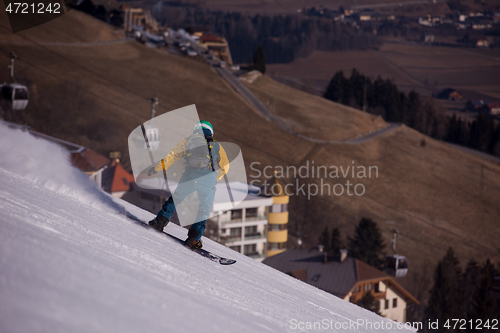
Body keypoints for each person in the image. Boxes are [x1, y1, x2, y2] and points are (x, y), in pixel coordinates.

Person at [147, 121, 229, 249]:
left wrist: (157, 168)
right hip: (208, 179)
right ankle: (194, 239)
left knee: (176, 199)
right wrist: (214, 179)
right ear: (211, 132)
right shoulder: (216, 145)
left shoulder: (188, 141)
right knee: (204, 208)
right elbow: (225, 166)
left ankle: (160, 222)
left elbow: (172, 156)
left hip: (189, 176)